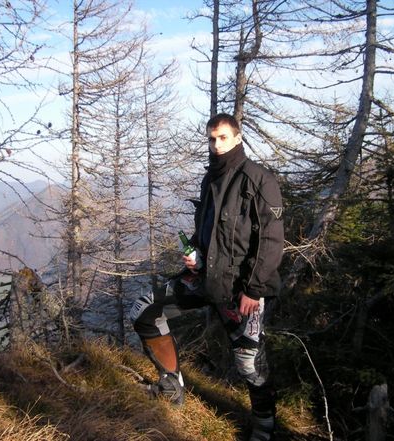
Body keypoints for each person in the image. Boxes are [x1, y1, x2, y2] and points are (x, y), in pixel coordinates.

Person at [130, 113, 285, 441]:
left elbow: (271, 243)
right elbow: (211, 231)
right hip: (204, 278)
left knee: (249, 362)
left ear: (238, 138)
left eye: (223, 138)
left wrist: (253, 291)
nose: (216, 145)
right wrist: (196, 254)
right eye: (212, 138)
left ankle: (265, 428)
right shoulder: (210, 179)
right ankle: (171, 389)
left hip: (240, 290)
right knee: (145, 311)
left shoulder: (259, 179)